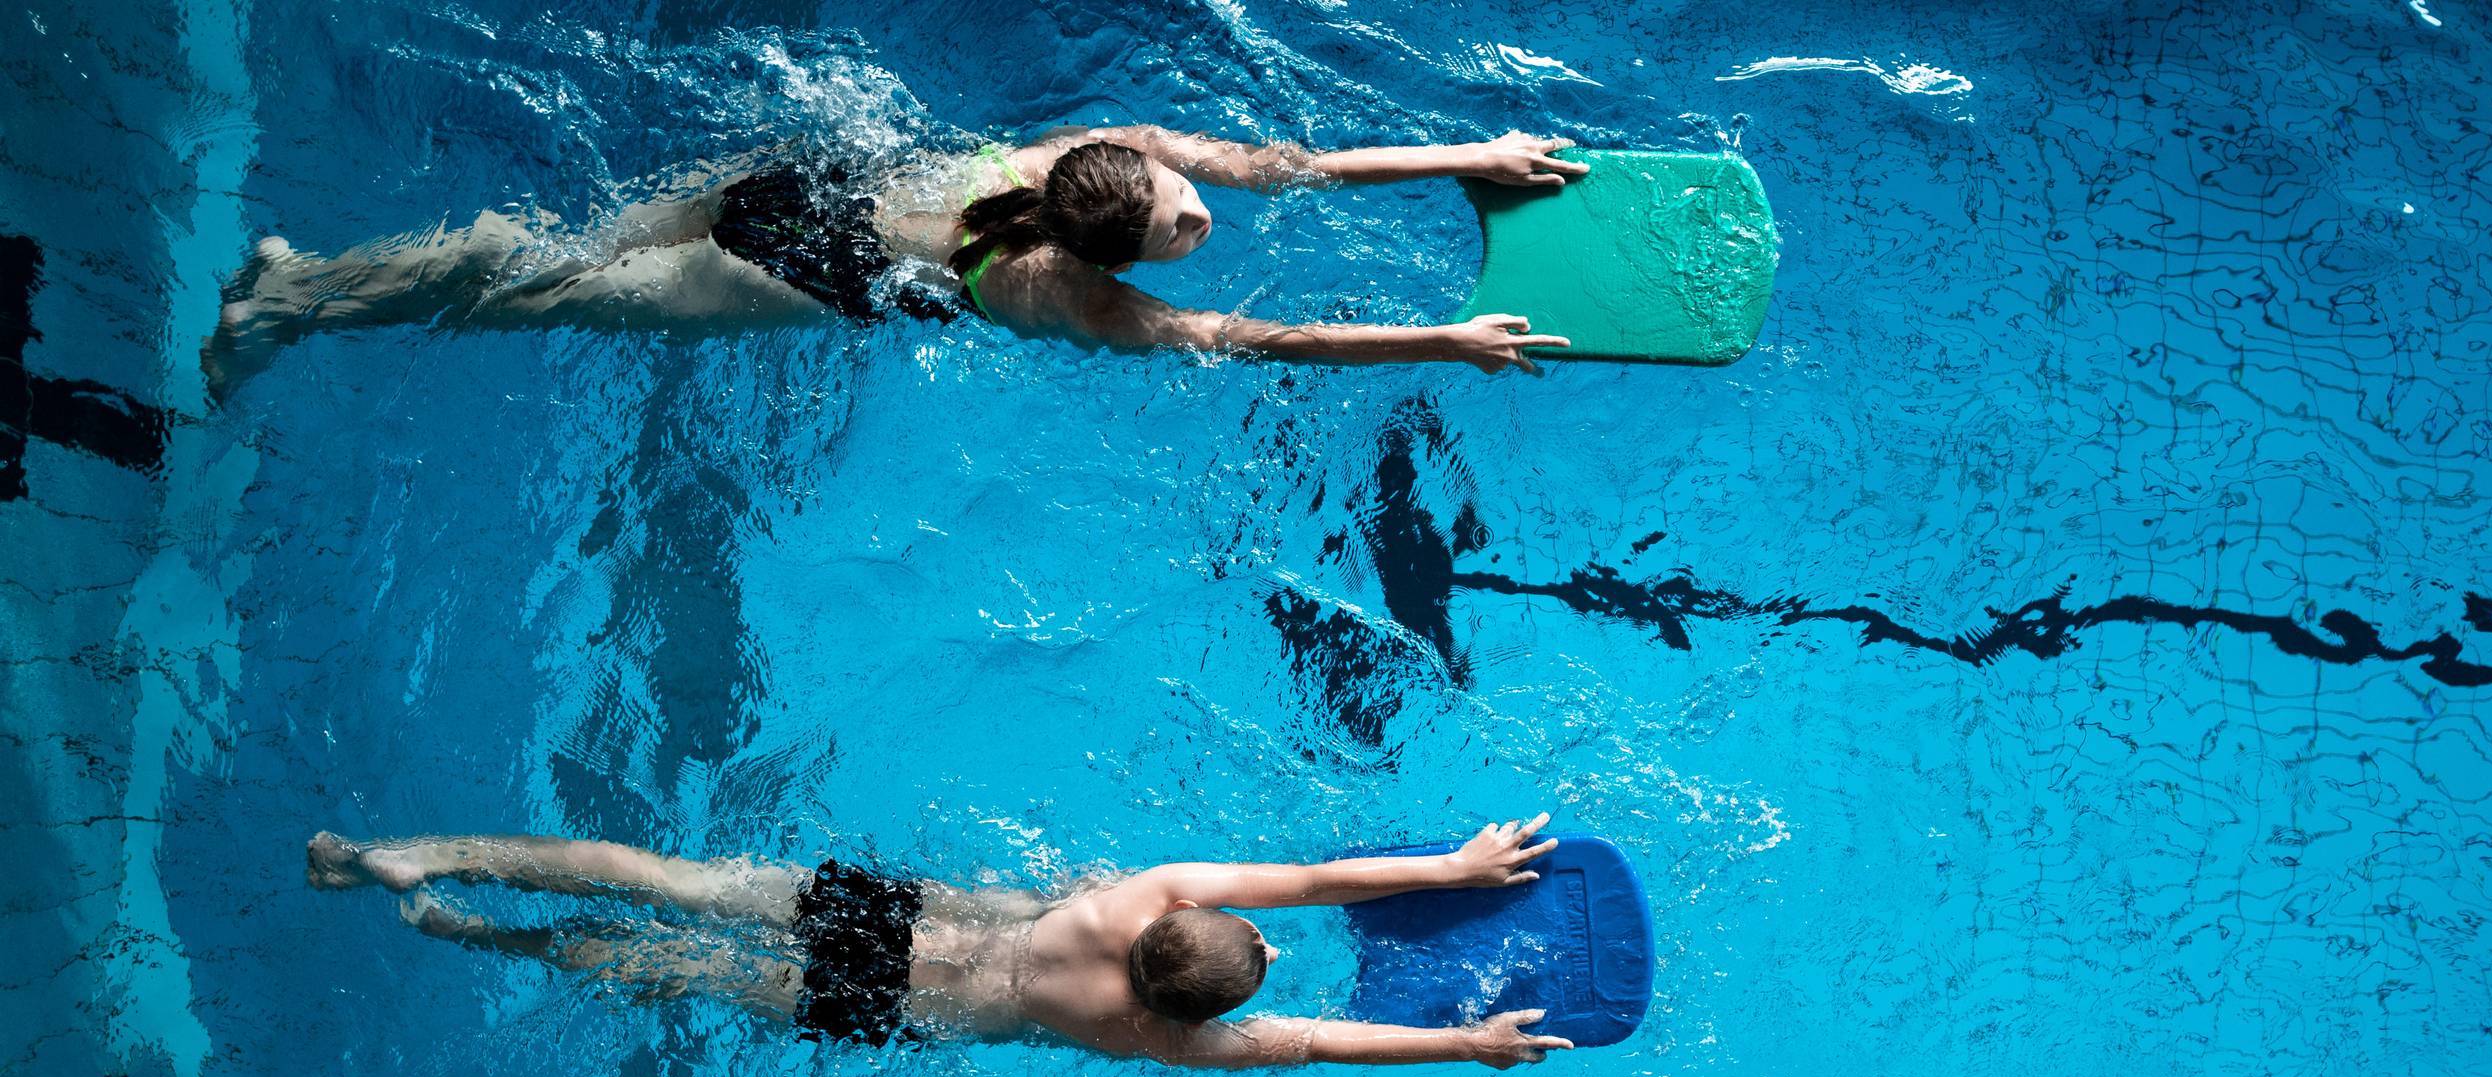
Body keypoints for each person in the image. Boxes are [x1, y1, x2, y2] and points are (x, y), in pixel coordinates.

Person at [207, 126, 1591, 393]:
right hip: (790, 271)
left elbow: (1282, 165)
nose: (1198, 214)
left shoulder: (1083, 150)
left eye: (1182, 200)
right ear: (1111, 243)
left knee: (560, 251)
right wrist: (1444, 340)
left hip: (797, 174)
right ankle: (296, 303)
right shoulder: (1071, 297)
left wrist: (1462, 156)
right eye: (1177, 223)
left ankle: (312, 271)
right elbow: (1260, 344)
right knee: (539, 287)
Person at [305, 813, 1579, 1069]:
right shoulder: (1160, 1041)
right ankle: (467, 929)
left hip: (894, 920)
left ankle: (415, 853)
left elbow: (1311, 877)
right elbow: (1313, 1036)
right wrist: (1461, 1041)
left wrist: (1450, 864)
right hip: (893, 1008)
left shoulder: (1140, 892)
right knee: (660, 965)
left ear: (1183, 925)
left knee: (673, 885)